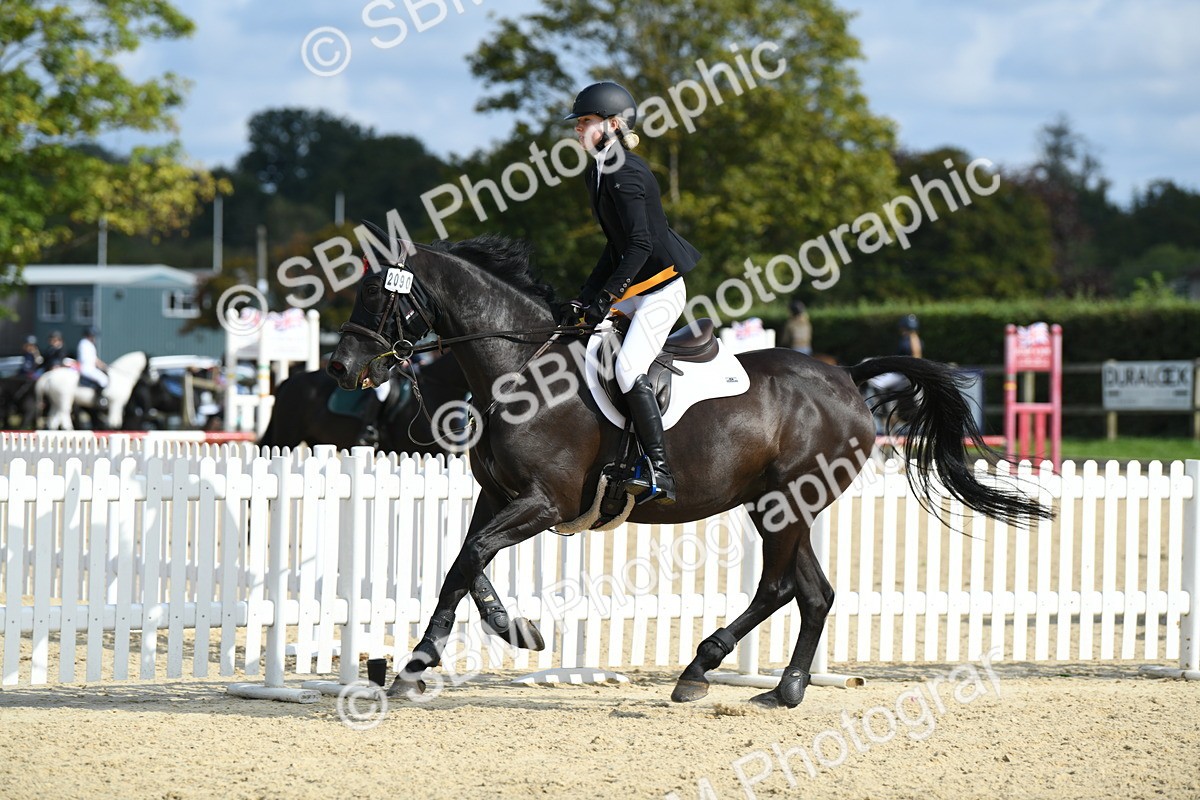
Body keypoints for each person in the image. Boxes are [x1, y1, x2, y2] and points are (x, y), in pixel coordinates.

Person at [560, 80, 701, 506]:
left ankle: (659, 468)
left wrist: (607, 297)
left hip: (660, 289)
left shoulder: (627, 171)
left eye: (586, 122)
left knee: (626, 369)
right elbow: (614, 244)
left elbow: (639, 245)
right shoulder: (599, 170)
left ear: (614, 124)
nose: (578, 130)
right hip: (633, 286)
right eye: (579, 122)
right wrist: (586, 296)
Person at [75, 327, 109, 402]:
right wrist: (101, 365)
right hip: (86, 368)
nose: (94, 338)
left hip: (90, 367)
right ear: (90, 335)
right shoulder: (84, 343)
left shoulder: (89, 344)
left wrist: (104, 365)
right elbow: (90, 359)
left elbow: (95, 359)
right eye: (93, 336)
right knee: (104, 380)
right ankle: (99, 399)